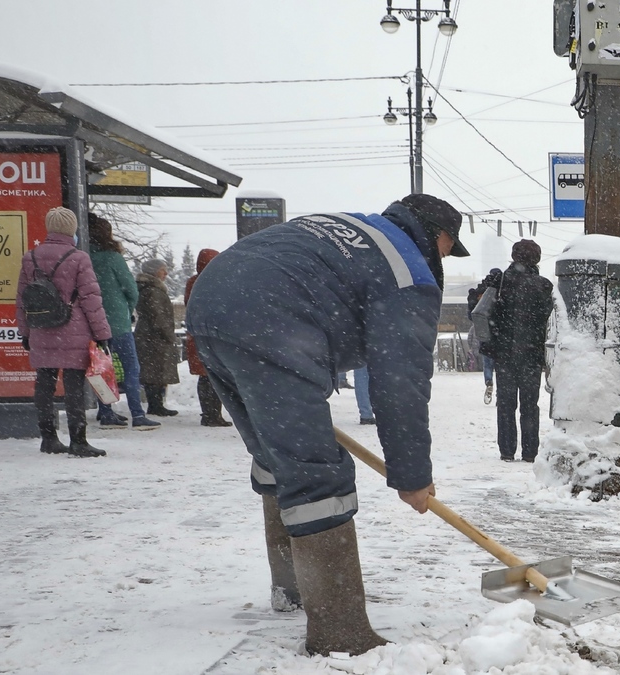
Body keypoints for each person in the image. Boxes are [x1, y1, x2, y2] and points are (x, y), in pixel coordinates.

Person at [184, 194, 469, 656]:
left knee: (277, 454)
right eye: (447, 249)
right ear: (439, 236)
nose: (443, 259)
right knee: (316, 473)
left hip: (212, 302)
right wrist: (413, 476)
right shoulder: (407, 271)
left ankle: (292, 587)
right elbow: (401, 383)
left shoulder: (354, 228)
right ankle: (340, 631)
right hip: (270, 319)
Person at [16, 207, 114, 457]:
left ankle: (48, 438)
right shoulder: (79, 257)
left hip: (41, 329)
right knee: (73, 388)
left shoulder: (31, 257)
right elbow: (92, 299)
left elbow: (22, 299)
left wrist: (25, 332)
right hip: (75, 331)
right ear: (72, 229)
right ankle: (78, 441)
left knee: (44, 385)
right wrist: (102, 334)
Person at [475, 240, 553, 462]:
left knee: (506, 404)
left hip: (504, 354)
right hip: (531, 356)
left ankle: (507, 450)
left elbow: (476, 310)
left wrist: (484, 286)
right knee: (530, 405)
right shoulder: (544, 286)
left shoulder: (500, 282)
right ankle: (530, 452)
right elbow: (550, 320)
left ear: (513, 256)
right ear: (536, 259)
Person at [87, 214, 159, 431]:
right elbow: (131, 289)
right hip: (118, 323)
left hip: (94, 323)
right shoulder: (113, 258)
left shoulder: (84, 257)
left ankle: (106, 412)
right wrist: (127, 309)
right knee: (131, 368)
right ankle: (137, 414)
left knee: (101, 368)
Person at [184, 249, 232, 427]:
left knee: (205, 377)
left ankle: (209, 413)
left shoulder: (193, 282)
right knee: (212, 377)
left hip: (196, 335)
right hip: (209, 336)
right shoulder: (214, 282)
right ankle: (212, 415)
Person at [135, 259, 180, 417]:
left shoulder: (146, 288)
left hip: (148, 335)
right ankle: (156, 405)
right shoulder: (153, 290)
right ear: (154, 271)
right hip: (154, 337)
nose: (166, 273)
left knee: (153, 371)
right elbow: (157, 315)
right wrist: (169, 334)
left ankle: (156, 403)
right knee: (155, 371)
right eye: (163, 270)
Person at [466, 282, 497, 405]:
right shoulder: (499, 293)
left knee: (487, 364)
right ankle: (501, 394)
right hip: (500, 339)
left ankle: (489, 381)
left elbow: (472, 316)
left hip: (485, 337)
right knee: (501, 369)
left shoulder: (481, 296)